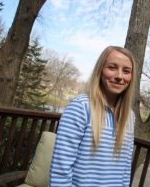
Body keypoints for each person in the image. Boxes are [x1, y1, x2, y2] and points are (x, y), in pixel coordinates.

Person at [49, 46, 136, 187]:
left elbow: (125, 171)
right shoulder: (81, 107)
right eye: (112, 68)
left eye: (126, 71)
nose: (119, 76)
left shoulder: (130, 117)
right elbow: (60, 170)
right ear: (100, 70)